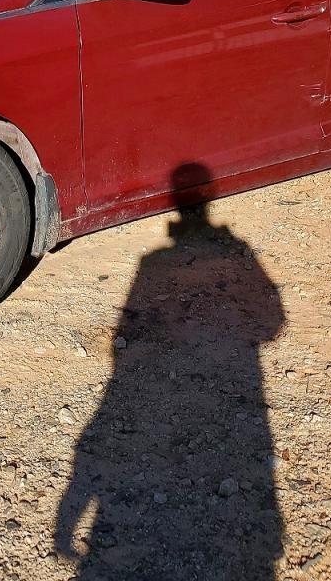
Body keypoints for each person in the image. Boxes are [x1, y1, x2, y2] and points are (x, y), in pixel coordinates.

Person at [56, 163, 287, 579]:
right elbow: (272, 322)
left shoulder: (152, 262)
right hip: (232, 408)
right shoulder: (223, 255)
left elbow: (120, 339)